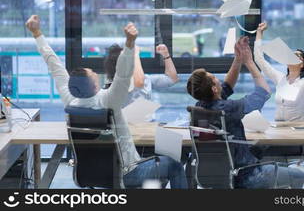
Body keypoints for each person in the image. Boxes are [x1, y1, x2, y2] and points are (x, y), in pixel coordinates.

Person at [25, 15, 187, 189]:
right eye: (93, 74)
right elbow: (123, 73)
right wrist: (130, 44)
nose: (95, 72)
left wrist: (36, 33)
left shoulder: (70, 101)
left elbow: (54, 65)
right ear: (94, 85)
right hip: (128, 174)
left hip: (87, 175)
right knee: (174, 165)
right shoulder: (109, 100)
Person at [187, 36, 304, 189]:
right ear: (214, 89)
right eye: (214, 78)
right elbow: (263, 92)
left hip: (220, 177)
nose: (218, 79)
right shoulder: (227, 108)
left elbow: (227, 85)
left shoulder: (201, 106)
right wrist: (249, 61)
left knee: (263, 151)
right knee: (298, 176)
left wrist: (237, 59)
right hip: (246, 177)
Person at [254, 22, 304, 121]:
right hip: (278, 128)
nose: (292, 57)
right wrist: (259, 33)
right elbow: (260, 60)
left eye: (297, 56)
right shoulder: (281, 78)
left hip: (297, 130)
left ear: (302, 64)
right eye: (291, 55)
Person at [104, 43, 178, 106]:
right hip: (127, 122)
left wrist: (166, 55)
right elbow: (139, 83)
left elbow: (172, 79)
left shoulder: (145, 78)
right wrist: (135, 53)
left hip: (147, 122)